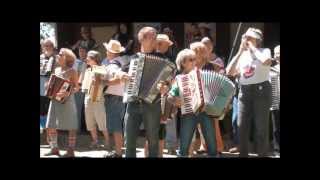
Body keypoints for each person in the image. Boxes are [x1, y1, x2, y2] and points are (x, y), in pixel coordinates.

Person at [123, 27, 169, 157]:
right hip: (133, 103)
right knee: (129, 140)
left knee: (153, 141)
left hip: (153, 104)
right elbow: (122, 71)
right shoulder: (134, 58)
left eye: (156, 36)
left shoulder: (163, 59)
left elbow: (169, 80)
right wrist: (121, 75)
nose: (156, 39)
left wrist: (166, 86)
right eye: (152, 37)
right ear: (142, 39)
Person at [226, 28, 272, 157]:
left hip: (261, 90)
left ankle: (262, 154)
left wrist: (252, 47)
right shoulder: (243, 55)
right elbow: (229, 71)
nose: (246, 40)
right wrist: (240, 51)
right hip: (244, 92)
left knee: (261, 128)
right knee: (241, 127)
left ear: (258, 40)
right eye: (245, 38)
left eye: (250, 38)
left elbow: (265, 61)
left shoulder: (264, 51)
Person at [168, 47, 217, 157]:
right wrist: (174, 100)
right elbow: (171, 95)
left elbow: (214, 91)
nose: (194, 61)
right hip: (189, 113)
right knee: (184, 147)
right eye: (191, 59)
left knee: (212, 145)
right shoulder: (180, 78)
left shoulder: (203, 74)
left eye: (194, 59)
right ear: (183, 63)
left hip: (205, 112)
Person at [144, 34, 176, 157]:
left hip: (162, 99)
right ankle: (150, 155)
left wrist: (167, 87)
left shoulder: (168, 61)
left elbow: (171, 81)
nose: (167, 46)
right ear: (159, 44)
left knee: (160, 129)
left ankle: (160, 155)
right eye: (166, 44)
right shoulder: (148, 57)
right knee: (151, 130)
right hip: (149, 100)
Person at [45, 48, 80, 157]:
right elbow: (52, 84)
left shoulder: (72, 71)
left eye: (60, 54)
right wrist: (48, 87)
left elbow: (77, 88)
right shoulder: (56, 69)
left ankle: (71, 150)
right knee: (50, 124)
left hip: (67, 101)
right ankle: (54, 148)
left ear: (66, 57)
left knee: (71, 125)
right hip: (55, 100)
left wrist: (67, 93)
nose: (57, 55)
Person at [81, 50, 111, 150]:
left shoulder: (101, 69)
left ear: (95, 59)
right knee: (90, 122)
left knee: (101, 121)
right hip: (87, 97)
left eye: (89, 57)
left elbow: (104, 82)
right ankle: (95, 141)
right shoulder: (87, 70)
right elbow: (84, 85)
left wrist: (98, 78)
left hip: (98, 98)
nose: (86, 59)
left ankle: (107, 142)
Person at [102, 40, 127, 158]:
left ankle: (118, 153)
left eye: (107, 50)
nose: (106, 52)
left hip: (113, 97)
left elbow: (119, 78)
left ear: (111, 52)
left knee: (116, 126)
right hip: (120, 97)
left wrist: (102, 82)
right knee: (118, 125)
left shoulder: (112, 65)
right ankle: (118, 151)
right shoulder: (123, 61)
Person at [40, 39, 57, 142]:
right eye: (45, 46)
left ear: (53, 47)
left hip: (51, 91)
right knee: (42, 113)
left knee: (50, 114)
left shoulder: (56, 58)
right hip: (40, 90)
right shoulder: (40, 58)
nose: (47, 47)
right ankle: (47, 134)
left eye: (49, 45)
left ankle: (51, 138)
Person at [73, 45, 88, 133]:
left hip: (86, 88)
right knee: (77, 108)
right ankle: (77, 128)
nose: (81, 53)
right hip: (76, 88)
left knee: (85, 109)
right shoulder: (75, 62)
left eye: (83, 51)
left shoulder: (90, 62)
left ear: (86, 52)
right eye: (80, 51)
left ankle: (86, 129)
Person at [270, 45, 280, 156]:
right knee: (276, 127)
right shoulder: (271, 69)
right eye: (276, 53)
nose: (277, 55)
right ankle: (277, 150)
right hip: (275, 102)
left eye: (279, 53)